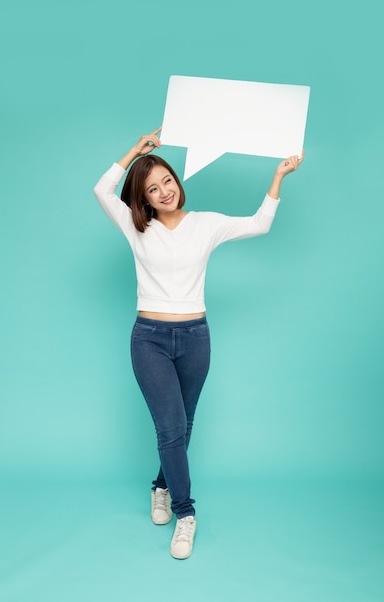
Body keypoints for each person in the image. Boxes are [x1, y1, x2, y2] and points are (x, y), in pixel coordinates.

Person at [93, 127, 304, 560]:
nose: (164, 191)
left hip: (195, 337)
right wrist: (134, 151)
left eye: (167, 180)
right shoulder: (137, 228)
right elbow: (101, 189)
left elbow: (260, 224)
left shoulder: (205, 224)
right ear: (144, 199)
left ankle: (160, 487)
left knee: (183, 427)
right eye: (152, 188)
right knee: (170, 428)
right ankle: (185, 515)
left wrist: (279, 176)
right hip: (149, 338)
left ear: (177, 180)